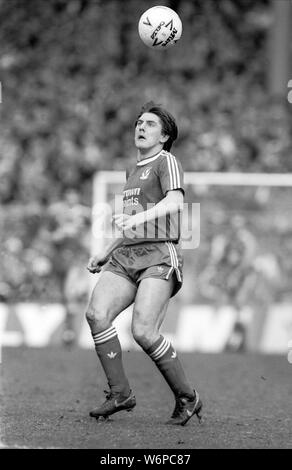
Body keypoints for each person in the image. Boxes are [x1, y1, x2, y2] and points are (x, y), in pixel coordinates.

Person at [86, 102, 202, 426]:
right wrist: (108, 250)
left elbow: (175, 201)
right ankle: (120, 393)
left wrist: (137, 217)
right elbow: (130, 226)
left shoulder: (167, 161)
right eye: (139, 122)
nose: (141, 127)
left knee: (144, 332)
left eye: (150, 124)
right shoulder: (131, 172)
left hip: (159, 254)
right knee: (96, 314)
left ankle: (188, 396)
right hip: (126, 256)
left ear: (164, 136)